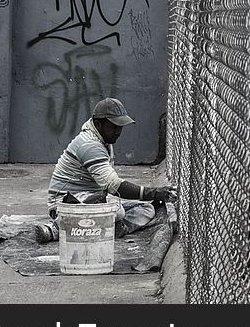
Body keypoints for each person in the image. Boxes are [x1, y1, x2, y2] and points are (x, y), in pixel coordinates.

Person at [34, 97, 176, 243]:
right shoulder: (89, 145)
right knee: (117, 211)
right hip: (65, 203)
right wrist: (154, 192)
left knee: (146, 209)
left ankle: (112, 229)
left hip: (91, 198)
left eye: (120, 127)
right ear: (98, 123)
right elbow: (113, 186)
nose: (118, 132)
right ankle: (55, 228)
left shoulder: (103, 140)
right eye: (114, 127)